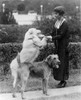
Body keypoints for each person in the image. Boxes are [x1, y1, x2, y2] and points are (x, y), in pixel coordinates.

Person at [51, 6, 69, 88]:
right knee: (57, 63)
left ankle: (63, 81)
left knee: (62, 63)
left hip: (63, 46)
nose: (55, 15)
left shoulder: (64, 23)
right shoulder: (57, 22)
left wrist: (52, 38)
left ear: (60, 14)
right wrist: (47, 36)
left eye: (56, 13)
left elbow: (61, 35)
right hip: (57, 46)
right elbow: (53, 32)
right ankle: (60, 80)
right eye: (54, 13)